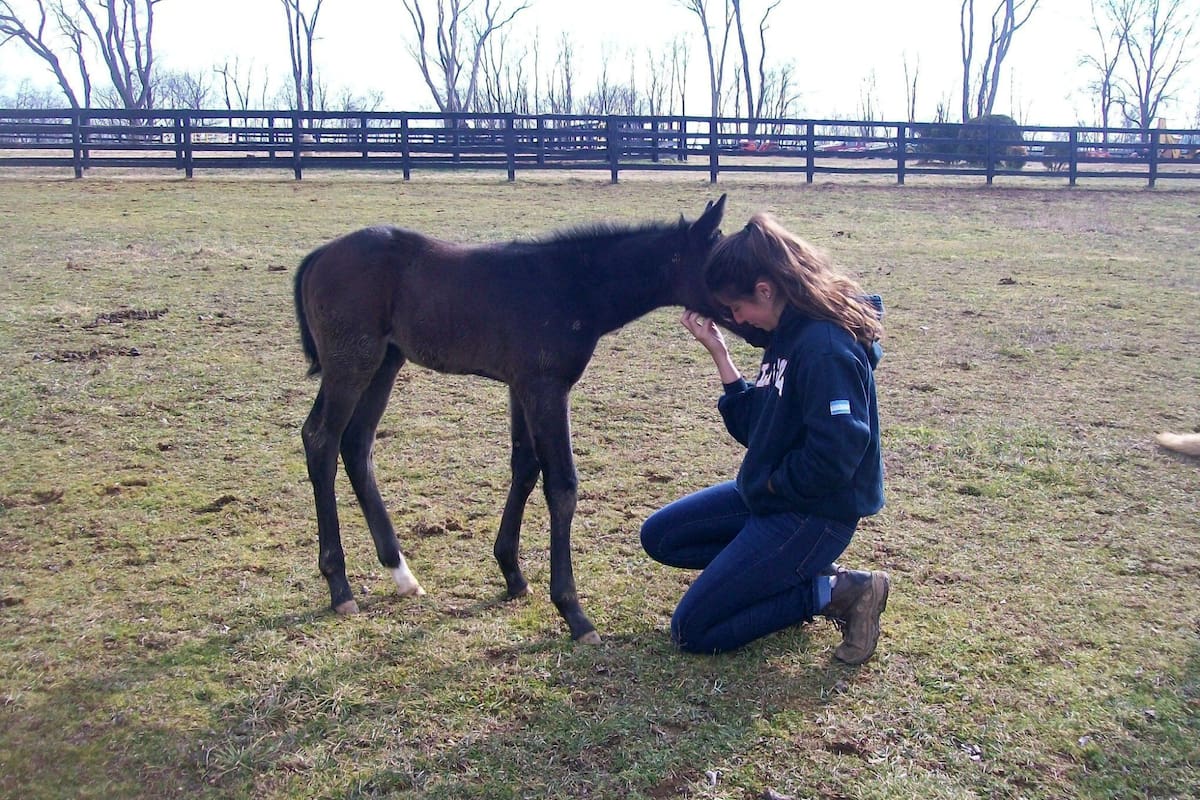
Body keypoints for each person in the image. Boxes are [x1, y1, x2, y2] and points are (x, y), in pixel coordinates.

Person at [640, 212, 889, 665]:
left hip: (814, 513)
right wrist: (720, 355)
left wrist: (773, 484)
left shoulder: (823, 348)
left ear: (765, 290)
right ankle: (782, 570)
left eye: (737, 308)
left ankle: (838, 592)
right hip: (770, 496)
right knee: (663, 536)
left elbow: (837, 457)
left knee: (692, 629)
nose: (737, 320)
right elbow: (757, 429)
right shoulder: (785, 336)